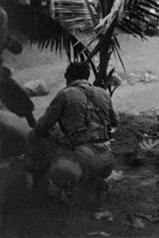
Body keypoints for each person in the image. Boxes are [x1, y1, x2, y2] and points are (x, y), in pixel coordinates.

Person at [26, 62, 118, 191]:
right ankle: (95, 183)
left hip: (83, 160)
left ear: (67, 77)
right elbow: (115, 121)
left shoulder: (65, 94)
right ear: (87, 76)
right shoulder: (103, 93)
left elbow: (41, 127)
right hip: (107, 161)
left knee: (35, 135)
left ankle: (35, 182)